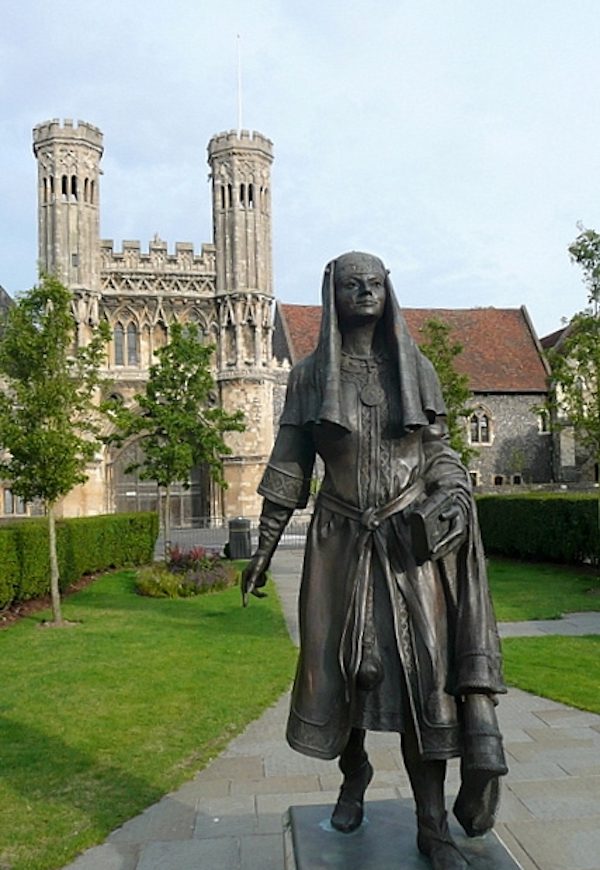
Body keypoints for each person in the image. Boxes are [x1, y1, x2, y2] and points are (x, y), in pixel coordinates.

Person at [242, 252, 507, 870]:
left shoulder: (417, 368)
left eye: (375, 284)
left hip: (409, 546)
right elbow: (289, 467)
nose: (364, 292)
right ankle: (353, 770)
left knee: (425, 682)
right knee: (345, 671)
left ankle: (432, 824)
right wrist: (261, 549)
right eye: (351, 285)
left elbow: (438, 450)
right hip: (339, 544)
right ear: (332, 296)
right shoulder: (309, 376)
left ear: (389, 293)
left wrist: (450, 491)